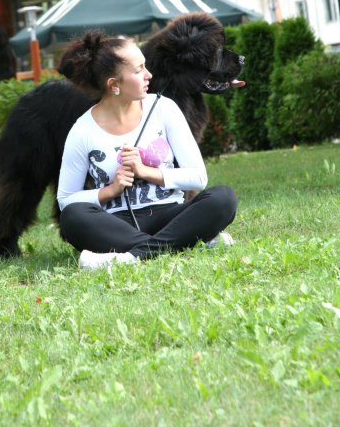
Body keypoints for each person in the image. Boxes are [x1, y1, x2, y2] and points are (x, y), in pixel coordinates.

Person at [56, 29, 238, 270]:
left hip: (170, 216)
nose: (148, 75)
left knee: (223, 198)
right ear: (114, 85)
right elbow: (65, 200)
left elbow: (198, 177)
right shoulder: (83, 131)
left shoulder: (164, 108)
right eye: (139, 69)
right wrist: (111, 190)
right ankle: (189, 243)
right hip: (116, 224)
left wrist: (145, 171)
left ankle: (130, 258)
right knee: (72, 217)